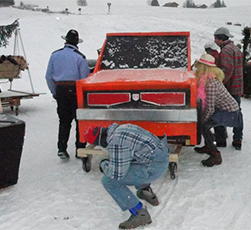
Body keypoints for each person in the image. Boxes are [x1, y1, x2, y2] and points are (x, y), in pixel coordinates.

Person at [84, 123, 169, 229]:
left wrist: (104, 164)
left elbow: (116, 175)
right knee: (127, 162)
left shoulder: (117, 142)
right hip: (160, 157)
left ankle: (139, 213)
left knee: (109, 181)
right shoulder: (121, 128)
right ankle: (145, 191)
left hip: (154, 168)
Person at [45, 29, 90, 159]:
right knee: (79, 120)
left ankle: (62, 148)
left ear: (65, 41)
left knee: (64, 121)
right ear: (77, 43)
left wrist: (54, 92)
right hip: (75, 91)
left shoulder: (54, 55)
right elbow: (84, 79)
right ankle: (79, 149)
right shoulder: (80, 57)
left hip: (60, 90)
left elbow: (48, 77)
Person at [193, 54, 243, 167]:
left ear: (203, 68)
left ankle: (215, 155)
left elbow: (209, 107)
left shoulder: (210, 83)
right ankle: (208, 146)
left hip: (230, 112)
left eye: (198, 66)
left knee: (204, 126)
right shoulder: (207, 80)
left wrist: (201, 120)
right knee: (205, 126)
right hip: (224, 109)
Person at [213, 27, 244, 150]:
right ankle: (238, 138)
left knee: (223, 111)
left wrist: (219, 84)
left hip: (230, 88)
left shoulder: (226, 51)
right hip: (237, 86)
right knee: (237, 112)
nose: (215, 40)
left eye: (216, 38)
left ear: (221, 39)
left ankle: (226, 138)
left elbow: (227, 70)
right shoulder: (235, 48)